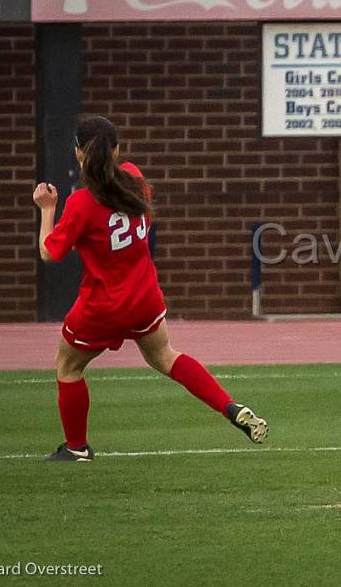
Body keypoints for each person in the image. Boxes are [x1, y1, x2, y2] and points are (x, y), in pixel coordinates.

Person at [33, 115, 268, 462]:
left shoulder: (82, 202)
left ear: (79, 153)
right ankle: (228, 405)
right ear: (117, 150)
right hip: (144, 297)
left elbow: (49, 252)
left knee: (68, 368)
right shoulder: (136, 179)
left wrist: (47, 210)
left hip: (102, 306)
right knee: (166, 357)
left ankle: (77, 447)